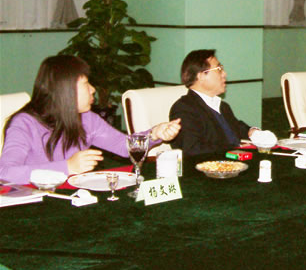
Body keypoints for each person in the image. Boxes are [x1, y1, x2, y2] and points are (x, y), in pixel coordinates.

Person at [0, 55, 181, 185]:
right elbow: (5, 173)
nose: (93, 89)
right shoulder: (25, 123)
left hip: (77, 197)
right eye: (86, 84)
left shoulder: (86, 119)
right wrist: (67, 167)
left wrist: (154, 134)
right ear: (66, 91)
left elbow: (123, 146)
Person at [169, 50, 259, 155]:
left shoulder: (223, 106)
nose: (224, 74)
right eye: (219, 69)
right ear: (201, 76)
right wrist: (235, 148)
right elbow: (193, 149)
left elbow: (237, 128)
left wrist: (253, 132)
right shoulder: (184, 108)